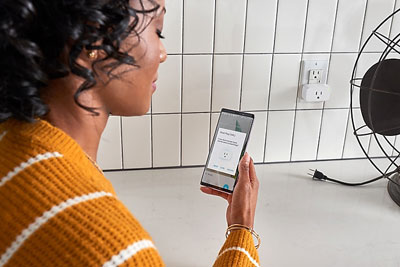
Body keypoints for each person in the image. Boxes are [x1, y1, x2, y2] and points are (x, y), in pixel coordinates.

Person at [0, 0, 260, 266]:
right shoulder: (113, 251)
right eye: (158, 31)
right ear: (93, 41)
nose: (163, 54)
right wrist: (241, 229)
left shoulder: (11, 142)